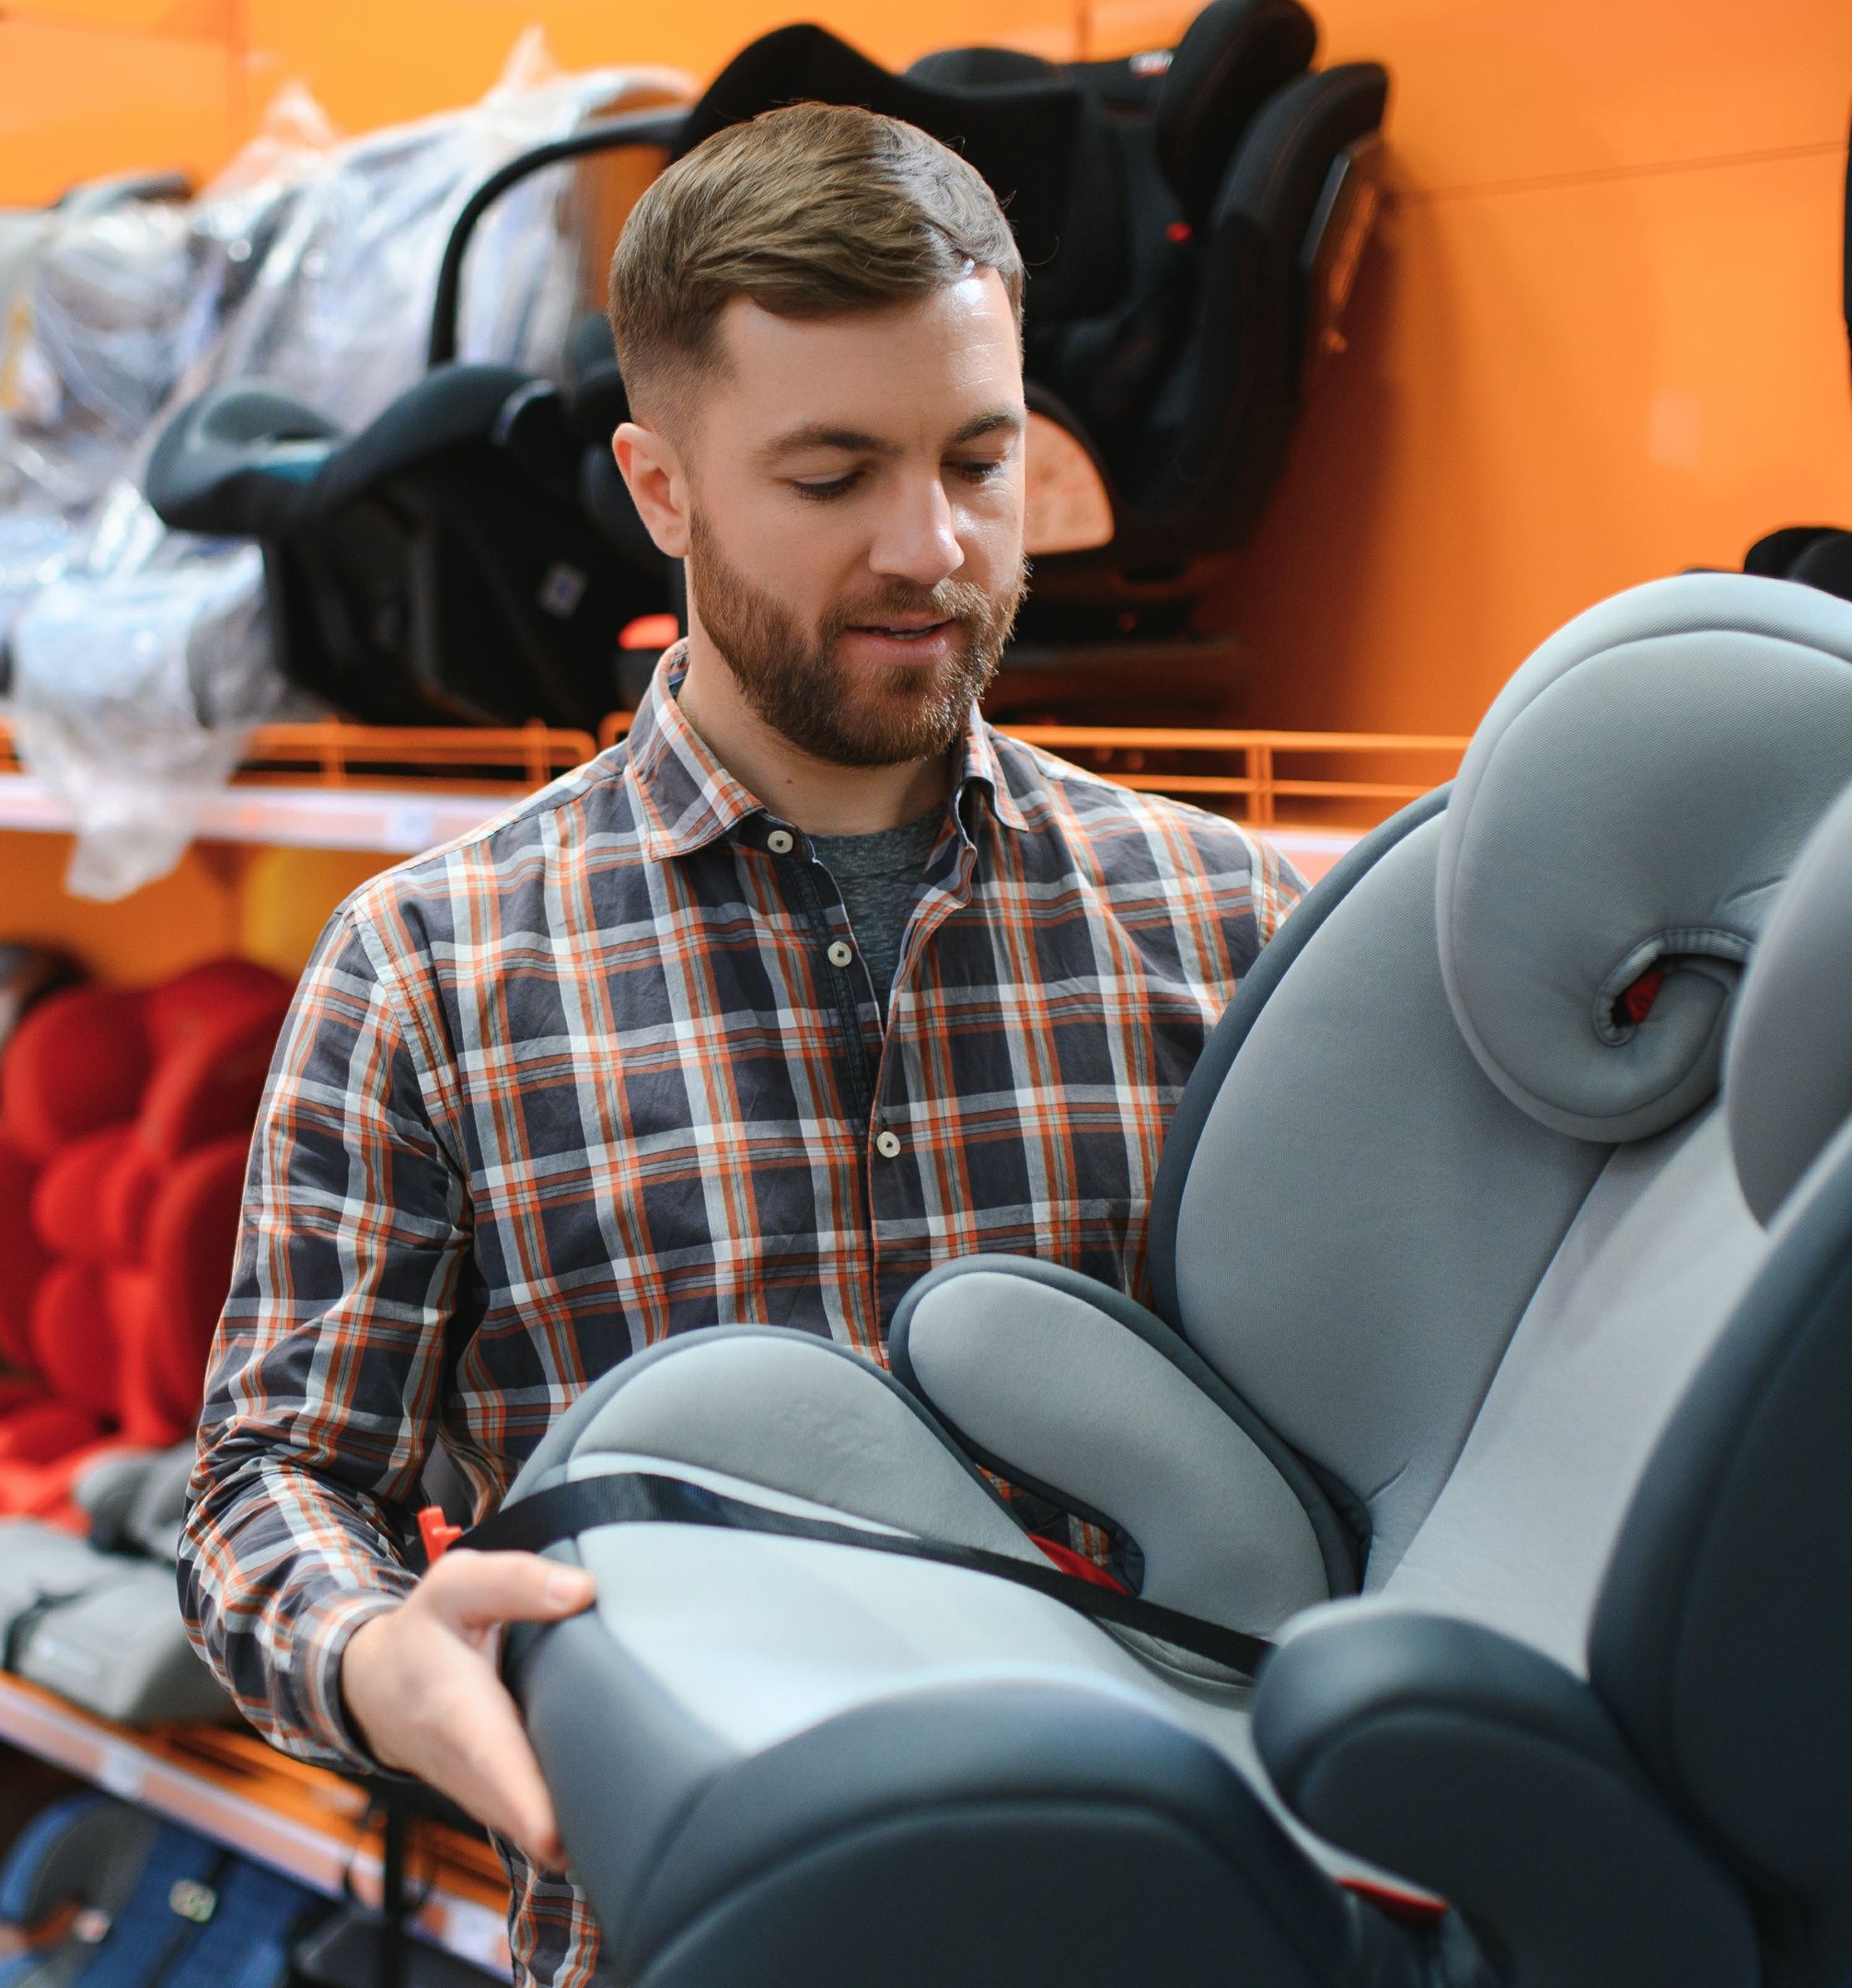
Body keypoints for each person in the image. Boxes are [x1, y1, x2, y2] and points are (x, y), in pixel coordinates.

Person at [180, 101, 1303, 1985]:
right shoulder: (433, 974)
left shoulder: (1233, 921)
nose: (929, 547)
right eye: (833, 474)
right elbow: (267, 1480)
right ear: (663, 484)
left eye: (978, 456)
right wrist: (377, 1654)